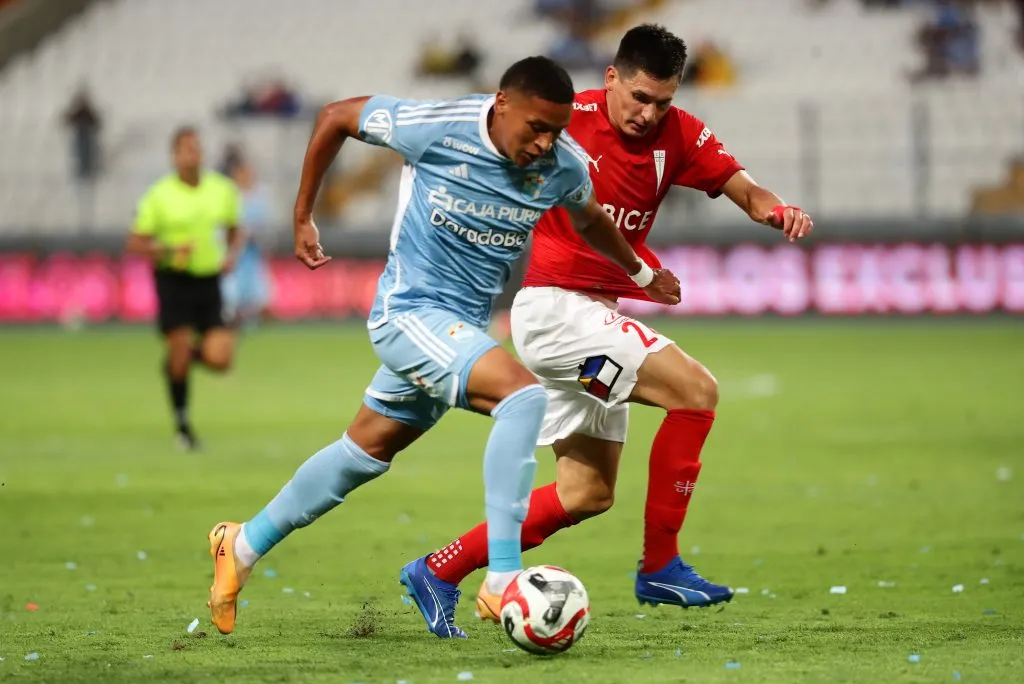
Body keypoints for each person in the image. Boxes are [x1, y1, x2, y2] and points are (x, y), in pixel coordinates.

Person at [205, 55, 681, 638]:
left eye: (556, 130)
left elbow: (590, 219)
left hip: (461, 331)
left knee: (365, 452)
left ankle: (243, 545)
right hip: (408, 313)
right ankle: (504, 577)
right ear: (502, 104)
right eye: (535, 127)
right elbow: (334, 117)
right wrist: (303, 216)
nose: (544, 142)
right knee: (523, 399)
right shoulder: (439, 125)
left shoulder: (562, 165)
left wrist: (637, 272)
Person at [401, 24, 815, 637]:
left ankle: (438, 569)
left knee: (586, 492)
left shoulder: (681, 132)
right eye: (640, 97)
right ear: (612, 78)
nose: (649, 114)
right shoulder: (567, 119)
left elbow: (742, 187)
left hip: (593, 328)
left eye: (663, 102)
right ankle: (661, 565)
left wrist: (776, 210)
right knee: (695, 392)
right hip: (556, 314)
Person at [126, 127, 244, 451]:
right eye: (186, 149)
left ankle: (178, 361)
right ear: (174, 155)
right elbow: (135, 243)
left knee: (221, 359)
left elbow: (236, 230)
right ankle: (183, 426)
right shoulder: (159, 195)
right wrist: (167, 252)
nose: (193, 154)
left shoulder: (222, 190)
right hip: (174, 281)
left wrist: (231, 255)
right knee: (178, 345)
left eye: (197, 148)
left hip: (209, 281)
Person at [220, 156, 275, 327]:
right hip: (234, 258)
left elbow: (267, 233)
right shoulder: (228, 198)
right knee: (230, 298)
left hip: (253, 259)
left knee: (259, 298)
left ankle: (251, 322)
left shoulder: (260, 200)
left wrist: (254, 235)